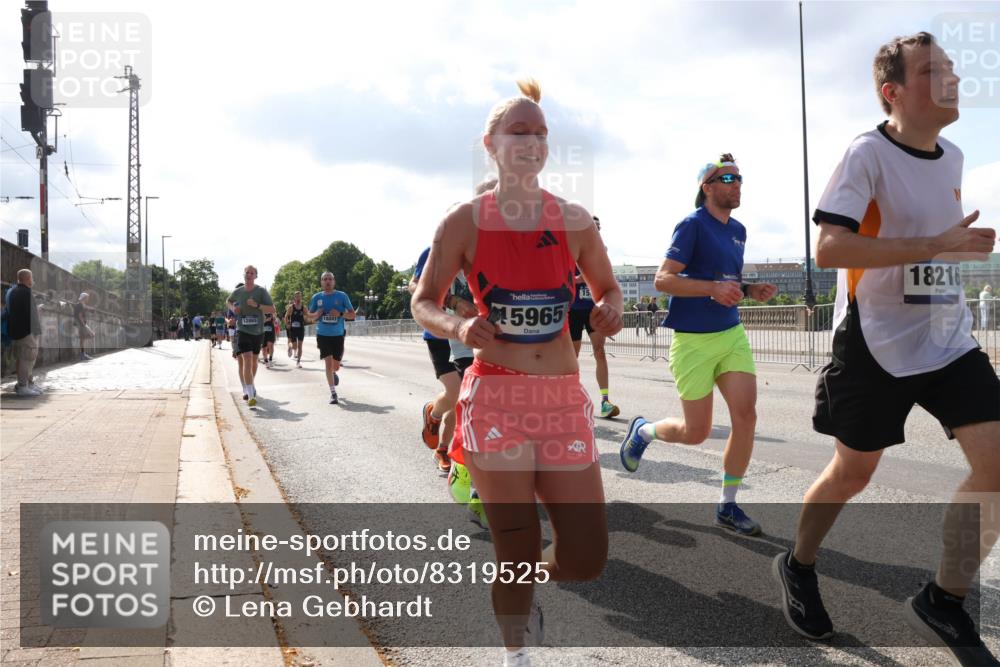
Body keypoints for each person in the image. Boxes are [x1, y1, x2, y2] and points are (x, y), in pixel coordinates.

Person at [770, 33, 1000, 666]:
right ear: (891, 91)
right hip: (876, 340)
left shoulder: (953, 156)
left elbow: (928, 247)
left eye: (951, 68)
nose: (952, 78)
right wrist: (932, 246)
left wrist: (952, 250)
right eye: (933, 70)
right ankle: (797, 564)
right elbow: (830, 249)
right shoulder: (866, 153)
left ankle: (944, 600)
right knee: (854, 472)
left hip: (946, 337)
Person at [411, 79, 623, 667]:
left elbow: (609, 288)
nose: (532, 142)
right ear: (491, 144)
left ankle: (527, 582)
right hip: (496, 400)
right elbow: (423, 301)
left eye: (541, 134)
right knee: (515, 546)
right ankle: (517, 650)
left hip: (561, 400)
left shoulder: (574, 220)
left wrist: (610, 309)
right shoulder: (463, 222)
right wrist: (457, 327)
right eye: (518, 131)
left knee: (585, 559)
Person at [619, 153, 778, 537]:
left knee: (746, 417)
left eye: (739, 178)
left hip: (731, 334)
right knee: (696, 432)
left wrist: (749, 290)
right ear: (707, 187)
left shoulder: (738, 230)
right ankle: (643, 432)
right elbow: (663, 279)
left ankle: (727, 505)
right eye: (727, 178)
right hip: (693, 341)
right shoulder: (692, 225)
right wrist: (711, 289)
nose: (737, 184)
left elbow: (727, 281)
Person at [411, 245, 470, 471]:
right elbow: (414, 286)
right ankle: (433, 413)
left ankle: (442, 449)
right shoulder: (435, 249)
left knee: (464, 395)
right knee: (455, 392)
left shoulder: (484, 249)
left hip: (467, 332)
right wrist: (452, 301)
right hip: (438, 332)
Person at [569, 216, 620, 419]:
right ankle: (569, 399)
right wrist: (580, 278)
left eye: (598, 228)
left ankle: (605, 401)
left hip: (592, 308)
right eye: (593, 227)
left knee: (600, 351)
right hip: (572, 309)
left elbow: (606, 279)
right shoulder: (571, 247)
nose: (596, 231)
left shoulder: (601, 251)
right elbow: (564, 278)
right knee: (571, 358)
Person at [227, 268, 275, 407]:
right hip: (242, 330)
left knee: (254, 362)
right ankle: (250, 394)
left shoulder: (261, 291)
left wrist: (257, 305)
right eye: (247, 272)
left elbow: (272, 309)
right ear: (244, 275)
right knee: (246, 360)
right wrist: (233, 309)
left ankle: (250, 385)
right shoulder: (238, 291)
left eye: (251, 273)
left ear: (255, 276)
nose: (249, 275)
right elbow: (228, 301)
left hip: (258, 331)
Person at [307, 272, 355, 404]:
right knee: (328, 363)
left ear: (334, 281)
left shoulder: (342, 296)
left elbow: (352, 315)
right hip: (323, 335)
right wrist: (316, 314)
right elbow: (309, 317)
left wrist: (340, 314)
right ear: (321, 282)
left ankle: (333, 372)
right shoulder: (317, 297)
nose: (327, 281)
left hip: (338, 335)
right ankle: (333, 393)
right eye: (324, 279)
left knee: (336, 366)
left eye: (330, 279)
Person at [6, 269, 43, 396]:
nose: (33, 280)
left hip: (16, 330)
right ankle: (23, 387)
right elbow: (30, 314)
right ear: (28, 279)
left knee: (22, 358)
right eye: (32, 278)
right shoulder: (26, 292)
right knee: (26, 359)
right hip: (26, 331)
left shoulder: (12, 291)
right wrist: (37, 330)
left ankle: (26, 384)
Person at [285, 292, 307, 367]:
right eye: (296, 297)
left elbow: (307, 316)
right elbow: (286, 316)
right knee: (295, 347)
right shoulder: (291, 307)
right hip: (293, 329)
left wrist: (312, 318)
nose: (298, 298)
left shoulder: (303, 307)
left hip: (301, 329)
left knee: (300, 346)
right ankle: (290, 347)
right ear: (294, 298)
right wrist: (287, 324)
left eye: (299, 296)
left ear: (301, 297)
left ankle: (298, 362)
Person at [73, 293, 94, 360]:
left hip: (80, 323)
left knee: (84, 338)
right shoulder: (80, 305)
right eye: (87, 297)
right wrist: (84, 325)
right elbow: (79, 316)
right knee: (90, 335)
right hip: (81, 324)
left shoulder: (80, 305)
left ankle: (83, 354)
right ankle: (83, 354)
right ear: (84, 298)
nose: (88, 299)